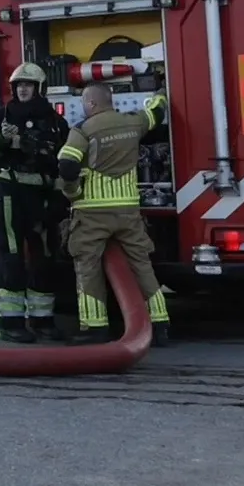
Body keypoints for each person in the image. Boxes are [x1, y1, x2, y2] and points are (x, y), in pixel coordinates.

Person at [55, 82, 172, 347]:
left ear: (91, 104)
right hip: (128, 210)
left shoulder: (83, 130)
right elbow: (157, 113)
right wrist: (161, 92)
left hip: (92, 212)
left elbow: (67, 164)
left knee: (88, 267)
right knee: (141, 264)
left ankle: (95, 327)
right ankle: (160, 323)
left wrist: (72, 193)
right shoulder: (133, 123)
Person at [0, 61, 71, 342]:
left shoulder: (56, 122)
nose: (22, 89)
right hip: (9, 191)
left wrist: (59, 196)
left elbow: (63, 161)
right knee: (11, 254)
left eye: (28, 85)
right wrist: (4, 144)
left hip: (42, 195)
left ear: (39, 88)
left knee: (44, 254)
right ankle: (11, 321)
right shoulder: (2, 116)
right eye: (19, 85)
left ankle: (42, 319)